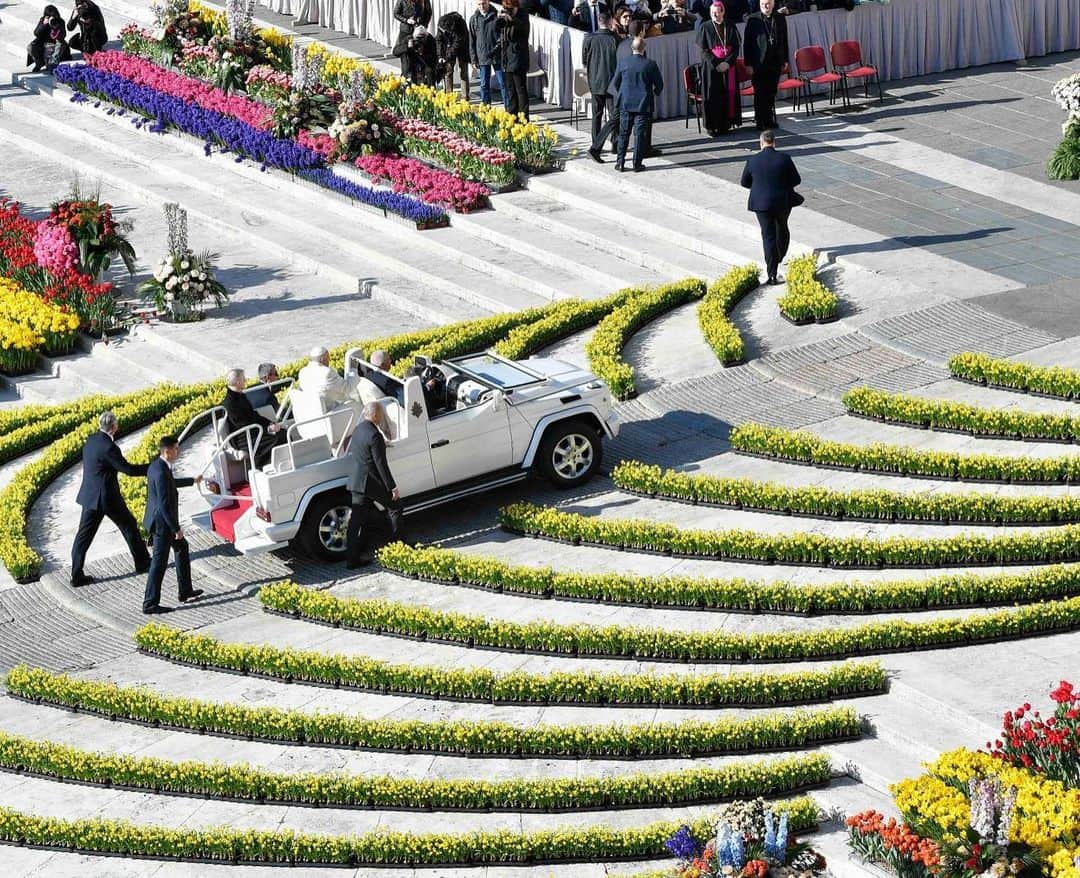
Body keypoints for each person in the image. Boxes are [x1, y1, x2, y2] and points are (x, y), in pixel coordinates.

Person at [70, 411, 151, 587]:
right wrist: (151, 467)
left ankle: (76, 575)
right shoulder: (109, 447)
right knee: (129, 525)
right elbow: (128, 470)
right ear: (114, 427)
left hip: (90, 497)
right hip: (107, 498)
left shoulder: (91, 441)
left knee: (83, 536)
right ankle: (143, 563)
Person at [142, 436, 205, 615]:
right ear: (167, 451)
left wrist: (192, 480)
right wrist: (175, 529)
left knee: (182, 547)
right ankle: (150, 604)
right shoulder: (161, 472)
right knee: (159, 563)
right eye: (176, 449)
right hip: (163, 524)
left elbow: (170, 484)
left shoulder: (157, 466)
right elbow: (163, 505)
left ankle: (185, 591)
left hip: (161, 520)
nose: (179, 451)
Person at [740, 128, 803, 285]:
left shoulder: (752, 160)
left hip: (761, 204)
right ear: (774, 142)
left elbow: (744, 182)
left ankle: (772, 275)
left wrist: (759, 187)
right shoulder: (784, 158)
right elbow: (796, 180)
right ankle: (779, 256)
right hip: (782, 202)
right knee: (782, 228)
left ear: (760, 143)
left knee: (768, 236)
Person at [344, 402, 403, 568]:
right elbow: (381, 465)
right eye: (381, 414)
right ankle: (399, 548)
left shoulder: (359, 429)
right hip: (369, 481)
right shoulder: (374, 435)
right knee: (395, 507)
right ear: (376, 416)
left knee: (356, 521)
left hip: (355, 480)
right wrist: (392, 487)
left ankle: (352, 560)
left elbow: (364, 449)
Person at [610, 36, 662, 173]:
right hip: (643, 105)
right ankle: (636, 164)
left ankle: (620, 163)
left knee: (623, 134)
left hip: (626, 104)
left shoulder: (623, 62)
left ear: (631, 48)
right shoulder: (650, 64)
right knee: (639, 135)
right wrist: (654, 93)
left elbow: (615, 82)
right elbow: (659, 85)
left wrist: (623, 93)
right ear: (644, 48)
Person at [222, 368, 285, 468]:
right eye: (244, 379)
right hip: (244, 437)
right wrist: (267, 429)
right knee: (279, 438)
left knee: (283, 432)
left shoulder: (240, 395)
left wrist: (270, 423)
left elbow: (253, 415)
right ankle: (260, 467)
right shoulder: (230, 403)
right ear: (238, 382)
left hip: (253, 431)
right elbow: (243, 425)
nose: (246, 381)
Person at [696, 0, 740, 135]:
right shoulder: (705, 27)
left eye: (717, 12)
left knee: (727, 95)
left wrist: (727, 63)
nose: (715, 15)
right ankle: (711, 126)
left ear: (723, 12)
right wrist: (716, 64)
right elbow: (703, 50)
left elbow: (736, 47)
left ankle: (725, 124)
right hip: (711, 69)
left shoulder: (730, 25)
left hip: (728, 66)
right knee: (712, 96)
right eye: (712, 13)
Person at [743, 0, 788, 130]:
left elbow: (784, 39)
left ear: (773, 4)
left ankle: (768, 119)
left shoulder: (779, 18)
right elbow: (747, 44)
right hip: (758, 62)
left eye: (768, 4)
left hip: (775, 61)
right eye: (763, 4)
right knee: (760, 93)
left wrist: (785, 60)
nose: (765, 7)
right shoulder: (752, 20)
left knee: (771, 92)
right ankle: (760, 120)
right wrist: (748, 64)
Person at [583, 13, 619, 163]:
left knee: (596, 116)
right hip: (611, 84)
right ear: (610, 22)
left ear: (598, 21)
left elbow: (584, 61)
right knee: (614, 116)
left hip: (595, 82)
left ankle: (596, 143)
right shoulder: (615, 39)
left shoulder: (589, 39)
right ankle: (615, 144)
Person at [498, 0, 530, 119]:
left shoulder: (523, 16)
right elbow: (497, 28)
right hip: (506, 59)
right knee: (510, 91)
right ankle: (512, 117)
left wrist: (512, 20)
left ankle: (523, 118)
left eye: (511, 9)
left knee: (520, 90)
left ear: (516, 7)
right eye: (507, 8)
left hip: (518, 59)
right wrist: (500, 18)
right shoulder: (506, 17)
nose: (509, 11)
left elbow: (523, 31)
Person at [470, 0, 504, 105]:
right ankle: (486, 107)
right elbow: (472, 40)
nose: (482, 6)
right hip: (483, 55)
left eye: (484, 3)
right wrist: (473, 58)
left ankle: (509, 108)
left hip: (497, 55)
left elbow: (503, 35)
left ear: (488, 2)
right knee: (484, 84)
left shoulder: (497, 16)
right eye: (479, 4)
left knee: (503, 83)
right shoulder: (474, 19)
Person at [393, 0, 433, 77]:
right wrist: (407, 20)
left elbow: (429, 13)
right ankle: (406, 76)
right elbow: (396, 13)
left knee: (419, 57)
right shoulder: (402, 1)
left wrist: (424, 24)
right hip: (406, 31)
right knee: (406, 57)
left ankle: (418, 78)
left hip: (418, 31)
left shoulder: (424, 1)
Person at [436, 10, 471, 100]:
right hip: (449, 46)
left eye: (444, 30)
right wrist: (440, 56)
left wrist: (447, 56)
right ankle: (449, 95)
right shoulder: (441, 23)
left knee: (463, 71)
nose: (442, 31)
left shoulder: (460, 24)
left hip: (462, 47)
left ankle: (465, 96)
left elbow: (457, 44)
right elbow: (439, 40)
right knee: (448, 71)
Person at [27, 5, 71, 72]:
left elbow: (63, 36)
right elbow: (36, 33)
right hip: (43, 42)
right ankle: (39, 63)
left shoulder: (60, 21)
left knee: (54, 48)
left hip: (55, 44)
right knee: (30, 47)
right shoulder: (43, 20)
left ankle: (52, 64)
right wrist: (43, 25)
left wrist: (56, 27)